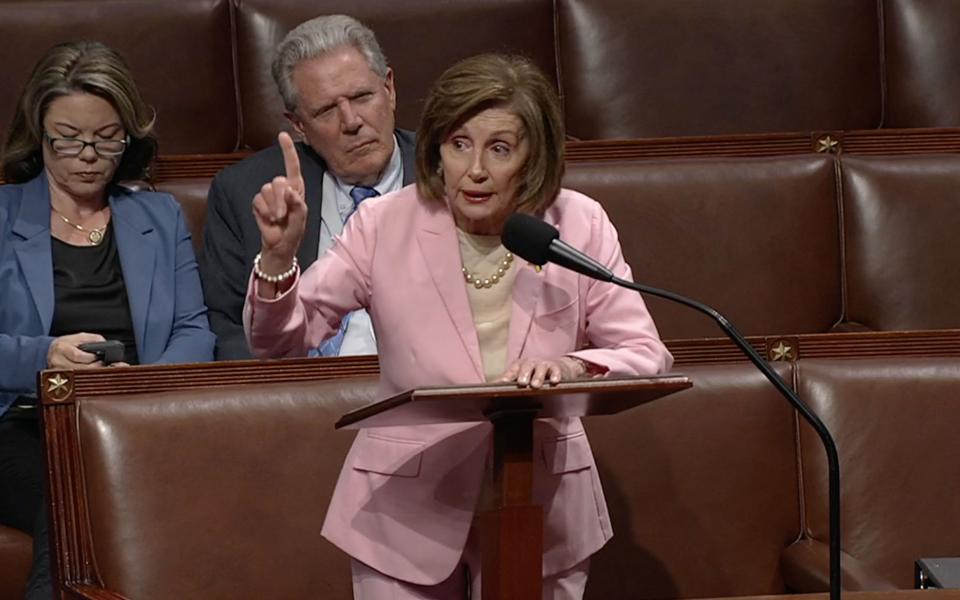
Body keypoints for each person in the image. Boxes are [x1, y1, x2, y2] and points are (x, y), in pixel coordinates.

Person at [243, 54, 673, 598]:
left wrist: (572, 365)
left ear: (533, 155)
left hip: (541, 504)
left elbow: (643, 350)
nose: (474, 170)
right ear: (436, 148)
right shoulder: (383, 223)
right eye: (458, 144)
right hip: (404, 508)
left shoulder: (578, 223)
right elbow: (279, 342)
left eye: (499, 149)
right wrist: (279, 259)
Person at [0, 40, 215, 599]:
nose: (89, 154)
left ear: (129, 135)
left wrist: (143, 389)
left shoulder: (159, 215)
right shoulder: (2, 217)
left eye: (106, 137)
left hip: (133, 422)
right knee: (74, 485)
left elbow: (194, 329)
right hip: (21, 424)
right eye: (68, 139)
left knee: (107, 472)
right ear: (39, 134)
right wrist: (45, 356)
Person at [200, 14, 416, 360]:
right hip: (297, 401)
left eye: (361, 96)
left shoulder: (449, 177)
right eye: (327, 110)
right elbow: (228, 331)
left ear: (388, 89)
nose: (352, 122)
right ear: (299, 124)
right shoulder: (245, 191)